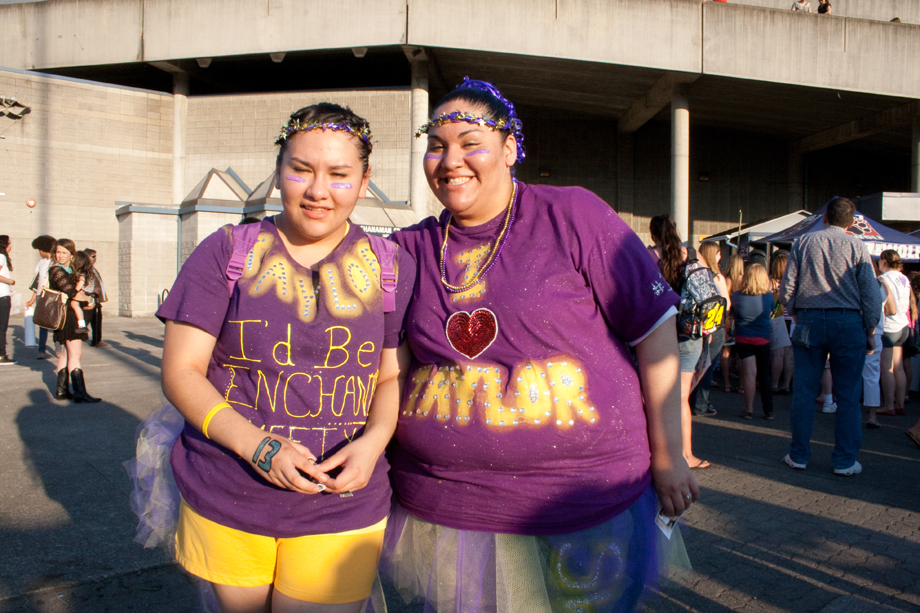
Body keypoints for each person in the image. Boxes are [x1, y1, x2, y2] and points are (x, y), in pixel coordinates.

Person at [384, 78, 696, 613]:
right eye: (436, 145)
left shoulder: (573, 215)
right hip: (445, 507)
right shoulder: (409, 248)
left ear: (509, 150)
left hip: (582, 505)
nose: (450, 159)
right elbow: (379, 362)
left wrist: (670, 453)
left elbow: (655, 333)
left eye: (469, 143)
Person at [156, 103, 415, 613]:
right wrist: (257, 448)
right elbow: (181, 372)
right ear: (279, 174)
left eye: (339, 175)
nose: (318, 191)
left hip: (342, 502)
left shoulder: (390, 265)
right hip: (228, 490)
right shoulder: (226, 250)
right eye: (302, 170)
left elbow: (391, 375)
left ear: (365, 182)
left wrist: (374, 442)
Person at [779, 197, 881, 476]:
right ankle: (844, 461)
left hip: (810, 319)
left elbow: (788, 285)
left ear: (823, 217)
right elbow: (870, 294)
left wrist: (793, 310)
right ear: (851, 223)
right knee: (848, 395)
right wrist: (870, 329)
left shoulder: (802, 243)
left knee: (804, 392)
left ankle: (798, 455)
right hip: (848, 321)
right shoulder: (858, 246)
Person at [648, 215, 709, 469]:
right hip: (691, 332)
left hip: (661, 332)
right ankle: (686, 454)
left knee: (653, 396)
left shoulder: (650, 256)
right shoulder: (693, 254)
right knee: (682, 397)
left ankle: (654, 454)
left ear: (653, 236)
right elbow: (709, 289)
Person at [48, 239, 100, 402]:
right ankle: (80, 393)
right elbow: (72, 292)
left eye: (64, 252)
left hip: (68, 315)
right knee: (76, 354)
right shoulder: (56, 270)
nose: (60, 255)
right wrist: (90, 300)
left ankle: (62, 390)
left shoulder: (68, 269)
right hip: (68, 318)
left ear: (72, 254)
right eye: (58, 252)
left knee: (66, 353)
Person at [689, 241, 730, 417]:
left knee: (696, 366)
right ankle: (700, 405)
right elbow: (726, 304)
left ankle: (691, 402)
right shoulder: (717, 277)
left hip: (698, 326)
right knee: (707, 367)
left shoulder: (698, 275)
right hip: (714, 326)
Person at [732, 263, 774, 420]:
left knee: (749, 374)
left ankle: (748, 409)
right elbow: (770, 313)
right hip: (763, 338)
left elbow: (733, 313)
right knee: (764, 374)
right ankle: (768, 410)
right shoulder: (768, 296)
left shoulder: (736, 296)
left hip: (743, 337)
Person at [877, 250, 911, 417]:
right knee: (899, 367)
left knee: (887, 367)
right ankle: (900, 403)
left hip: (889, 326)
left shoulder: (883, 279)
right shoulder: (904, 278)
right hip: (903, 324)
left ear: (883, 261)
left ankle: (888, 405)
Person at [863, 261, 886, 429]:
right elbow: (891, 309)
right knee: (872, 375)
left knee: (849, 373)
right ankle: (872, 415)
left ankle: (847, 412)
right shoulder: (881, 284)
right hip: (876, 332)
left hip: (856, 329)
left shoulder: (854, 283)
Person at [26, 235, 56, 359]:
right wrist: (33, 298)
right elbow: (37, 281)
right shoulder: (41, 263)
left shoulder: (55, 262)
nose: (39, 252)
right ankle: (41, 349)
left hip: (53, 296)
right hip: (40, 296)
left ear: (45, 249)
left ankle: (58, 348)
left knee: (55, 322)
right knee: (42, 323)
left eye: (40, 250)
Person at [770, 253, 793, 394]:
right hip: (791, 319)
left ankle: (774, 384)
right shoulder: (792, 282)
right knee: (789, 355)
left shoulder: (771, 282)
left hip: (777, 319)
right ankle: (786, 384)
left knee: (777, 354)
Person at [720, 253, 744, 393]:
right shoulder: (744, 280)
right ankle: (741, 384)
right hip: (741, 317)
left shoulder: (726, 280)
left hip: (728, 318)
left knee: (726, 352)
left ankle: (727, 383)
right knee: (742, 353)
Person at [82, 248, 109, 347]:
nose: (95, 259)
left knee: (97, 319)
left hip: (95, 299)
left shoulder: (92, 269)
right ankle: (78, 336)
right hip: (89, 298)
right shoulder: (84, 269)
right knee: (85, 319)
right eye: (93, 256)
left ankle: (97, 340)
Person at [68, 251, 96, 332]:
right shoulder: (85, 272)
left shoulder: (81, 273)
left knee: (74, 304)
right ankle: (81, 324)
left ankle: (81, 324)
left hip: (80, 294)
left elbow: (81, 282)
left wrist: (75, 291)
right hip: (82, 294)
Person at [0, 235, 15, 365]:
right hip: (2, 297)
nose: (11, 246)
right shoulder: (1, 256)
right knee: (2, 327)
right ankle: (1, 355)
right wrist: (10, 281)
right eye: (9, 243)